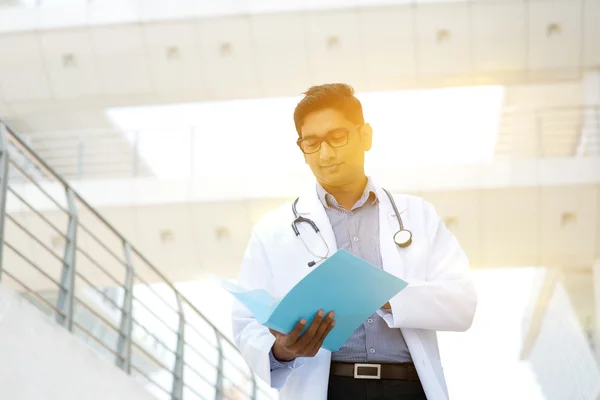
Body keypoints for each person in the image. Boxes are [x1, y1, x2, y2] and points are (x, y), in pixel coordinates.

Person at [231, 83, 477, 400]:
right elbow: (246, 324)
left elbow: (462, 302)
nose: (325, 153)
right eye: (312, 142)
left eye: (337, 137)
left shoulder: (417, 215)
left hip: (408, 388)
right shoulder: (273, 231)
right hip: (329, 389)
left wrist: (381, 295)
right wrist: (281, 349)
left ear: (365, 136)